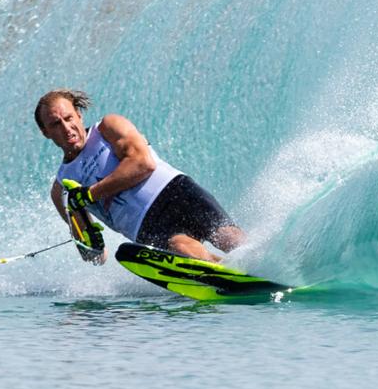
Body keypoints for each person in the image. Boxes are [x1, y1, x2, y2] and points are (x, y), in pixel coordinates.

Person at [34, 89, 246, 264]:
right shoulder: (61, 190)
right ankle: (237, 278)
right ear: (45, 132)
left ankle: (262, 264)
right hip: (146, 226)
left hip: (175, 192)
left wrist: (91, 193)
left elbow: (143, 164)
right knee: (186, 252)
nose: (66, 127)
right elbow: (96, 255)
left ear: (79, 115)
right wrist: (89, 244)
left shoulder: (108, 127)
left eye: (69, 118)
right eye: (55, 124)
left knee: (229, 239)